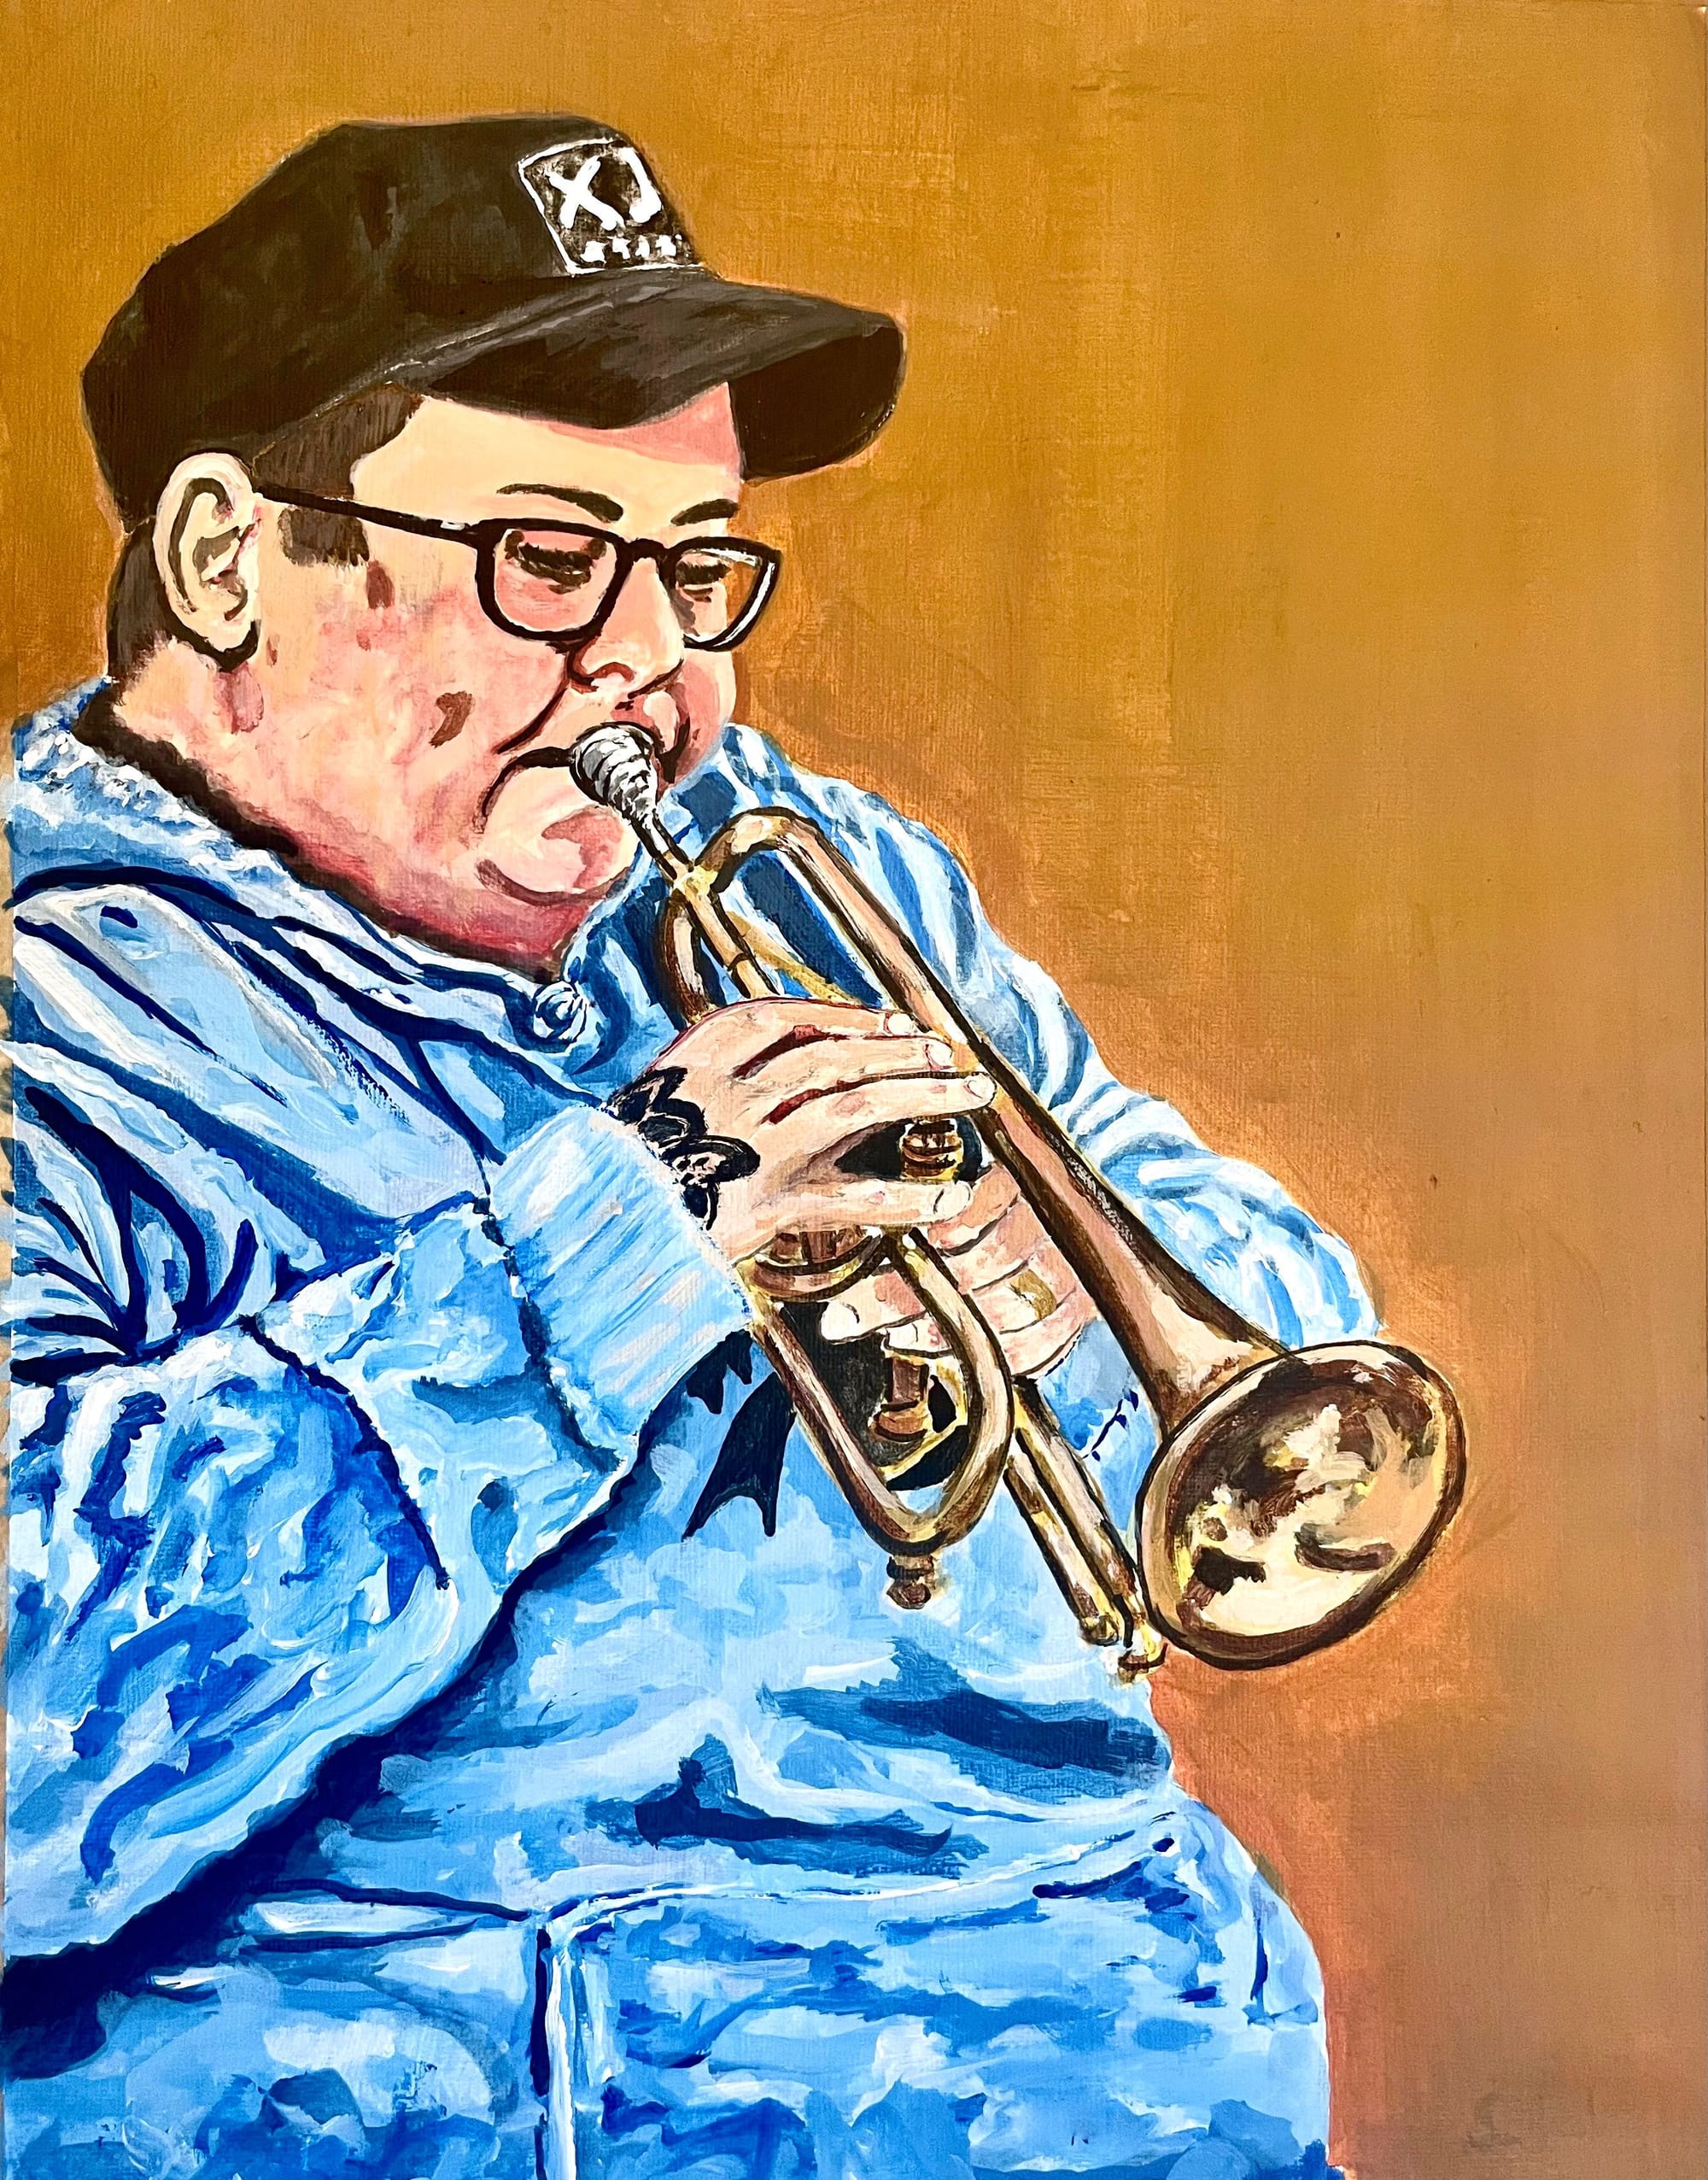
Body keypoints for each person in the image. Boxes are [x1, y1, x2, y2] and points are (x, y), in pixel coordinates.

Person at [3, 117, 1373, 2180]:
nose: (658, 671)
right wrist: (604, 1253)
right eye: (552, 563)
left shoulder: (808, 866)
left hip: (1121, 2061)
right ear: (225, 561)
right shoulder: (55, 1016)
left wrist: (1060, 1285)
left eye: (698, 570)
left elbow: (1235, 1333)